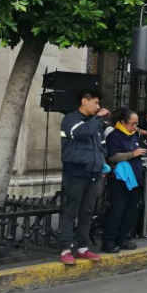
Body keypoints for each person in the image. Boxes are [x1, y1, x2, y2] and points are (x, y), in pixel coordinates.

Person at [59, 89, 108, 265]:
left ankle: (82, 247)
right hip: (75, 172)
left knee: (87, 211)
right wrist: (98, 118)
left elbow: (101, 144)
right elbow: (81, 133)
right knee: (71, 210)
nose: (98, 107)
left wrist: (102, 161)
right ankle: (65, 248)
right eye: (95, 103)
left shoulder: (94, 123)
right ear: (84, 101)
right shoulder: (71, 119)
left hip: (93, 173)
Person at [102, 109, 147, 253]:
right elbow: (112, 157)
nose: (135, 127)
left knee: (131, 210)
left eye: (136, 124)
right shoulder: (114, 136)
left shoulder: (134, 135)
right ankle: (109, 240)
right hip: (120, 180)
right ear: (122, 122)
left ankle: (124, 238)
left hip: (135, 179)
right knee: (117, 210)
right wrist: (132, 154)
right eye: (132, 124)